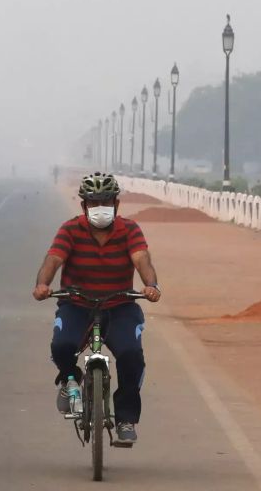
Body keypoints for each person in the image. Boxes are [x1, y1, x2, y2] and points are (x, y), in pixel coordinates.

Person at [32, 172, 160, 446]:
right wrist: (43, 284)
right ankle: (69, 381)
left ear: (116, 204)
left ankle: (126, 419)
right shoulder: (70, 229)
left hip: (120, 304)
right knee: (62, 345)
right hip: (77, 303)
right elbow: (54, 259)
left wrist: (151, 285)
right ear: (83, 206)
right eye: (93, 203)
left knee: (130, 354)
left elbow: (142, 258)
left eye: (105, 202)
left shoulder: (129, 229)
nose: (99, 208)